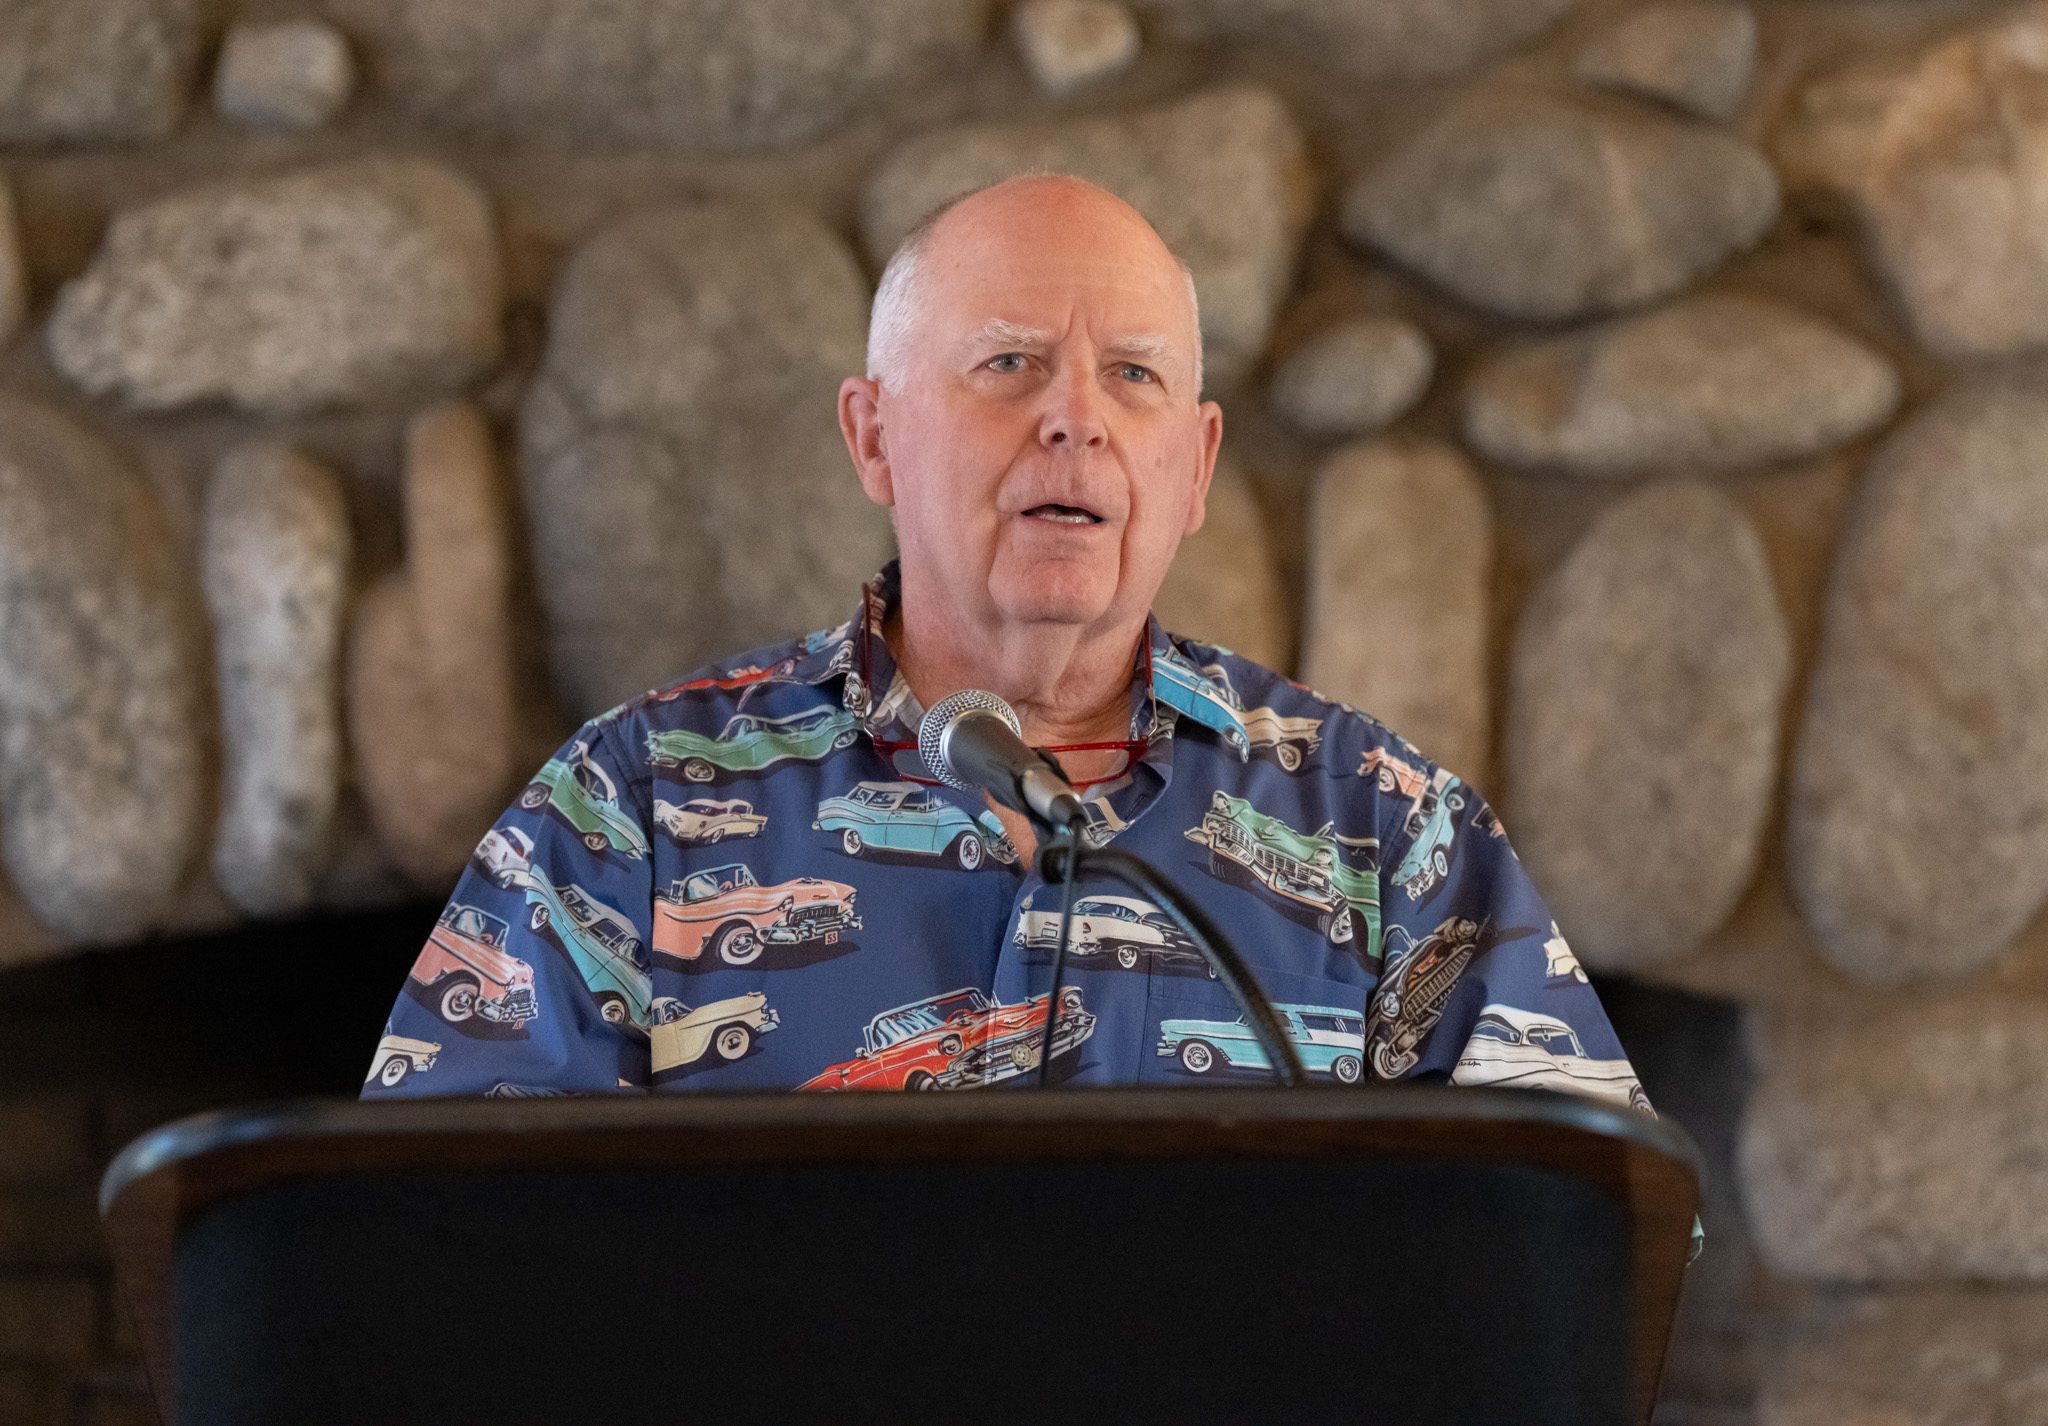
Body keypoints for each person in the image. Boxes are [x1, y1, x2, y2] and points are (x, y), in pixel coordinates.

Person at [362, 174, 1646, 1108]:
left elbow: (1575, 1246)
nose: (1073, 422)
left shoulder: (1382, 828)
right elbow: (440, 1254)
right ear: (873, 437)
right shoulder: (631, 810)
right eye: (1009, 364)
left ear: (1193, 469)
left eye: (1133, 376)